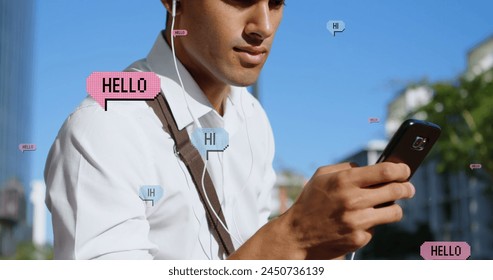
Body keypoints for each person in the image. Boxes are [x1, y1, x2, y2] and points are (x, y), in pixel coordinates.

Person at [44, 0, 415, 260]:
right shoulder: (105, 127)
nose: (263, 27)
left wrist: (318, 251)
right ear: (173, 2)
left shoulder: (251, 117)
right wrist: (295, 233)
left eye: (276, 2)